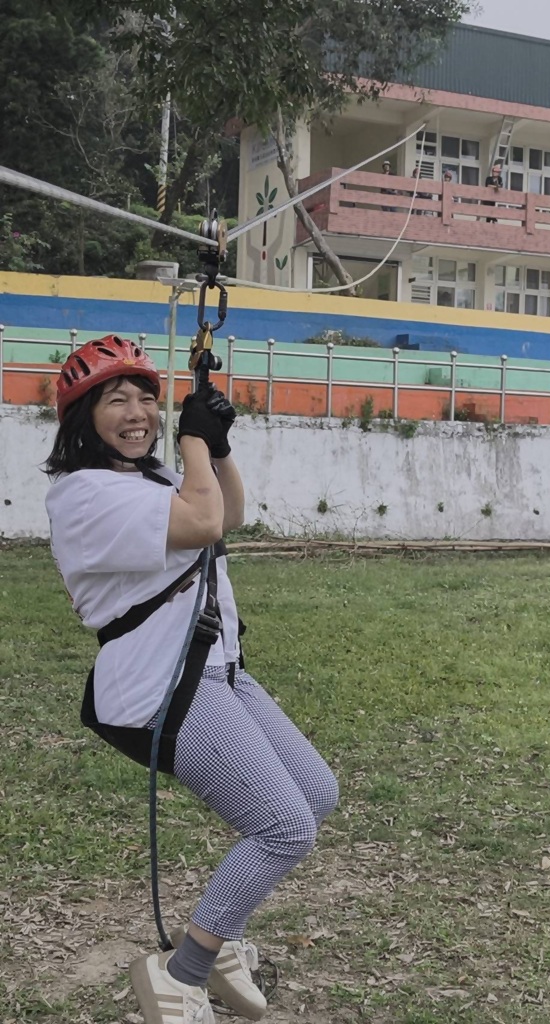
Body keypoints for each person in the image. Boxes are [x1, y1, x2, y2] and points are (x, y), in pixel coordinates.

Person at [44, 335, 339, 1024]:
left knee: (315, 794)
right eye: (115, 399)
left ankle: (220, 934)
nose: (137, 411)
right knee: (284, 827)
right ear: (82, 418)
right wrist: (193, 446)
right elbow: (203, 519)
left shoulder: (142, 481)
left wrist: (218, 443)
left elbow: (227, 515)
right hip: (161, 685)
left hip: (217, 669)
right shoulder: (84, 494)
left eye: (145, 397)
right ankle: (183, 972)